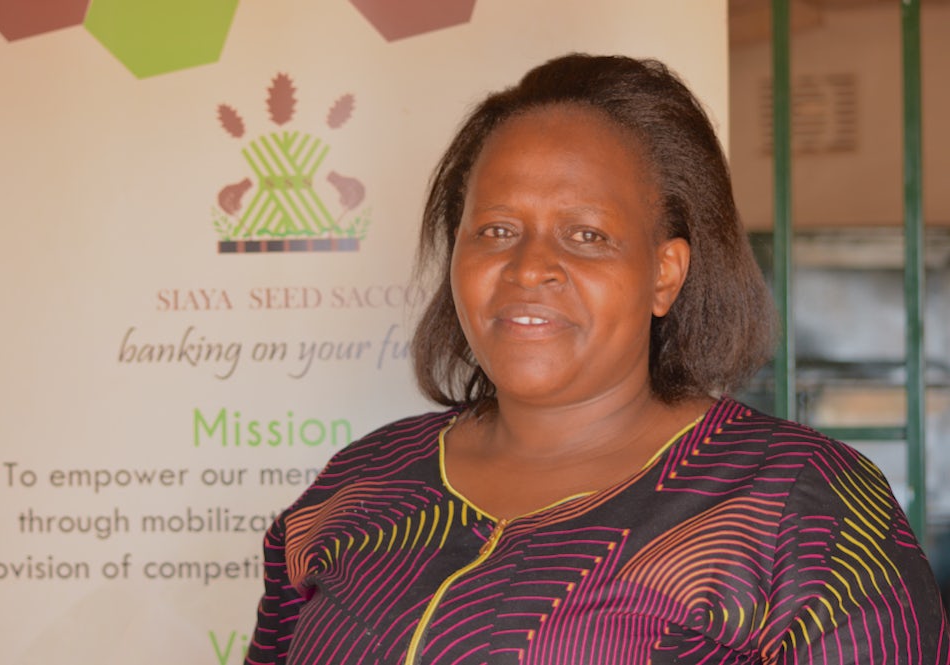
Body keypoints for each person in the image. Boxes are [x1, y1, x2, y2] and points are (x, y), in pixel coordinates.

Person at [246, 53, 950, 664]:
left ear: (665, 274)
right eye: (495, 228)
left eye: (586, 234)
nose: (529, 267)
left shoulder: (800, 502)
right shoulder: (360, 482)